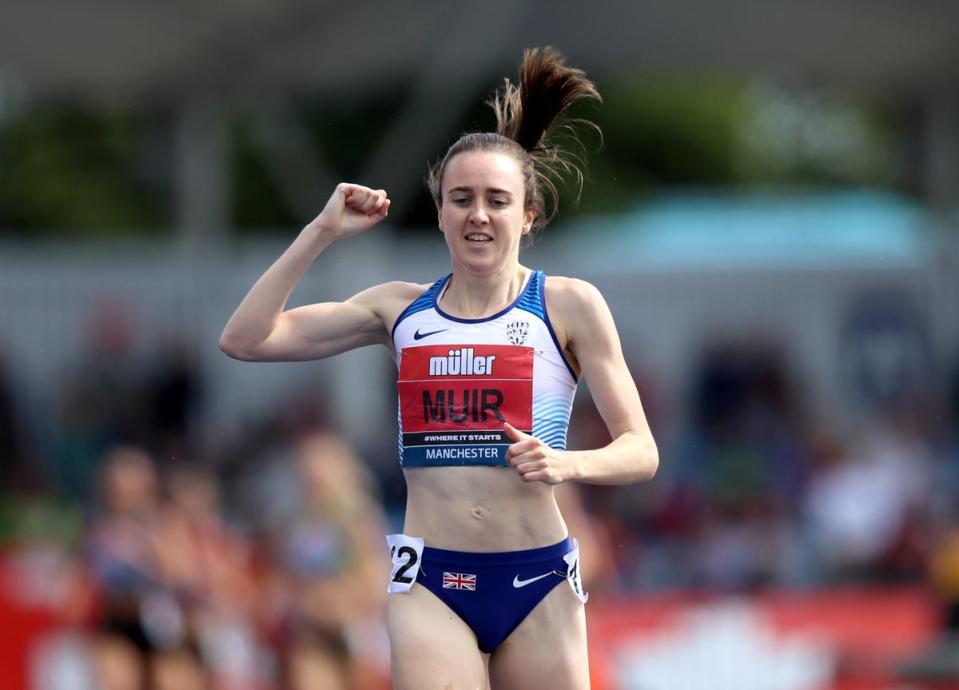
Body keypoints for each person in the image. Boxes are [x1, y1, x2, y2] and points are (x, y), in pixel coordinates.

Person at [220, 47, 658, 690]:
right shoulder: (399, 309)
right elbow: (246, 339)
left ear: (527, 215)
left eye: (496, 200)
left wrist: (569, 463)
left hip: (536, 579)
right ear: (442, 213)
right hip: (432, 580)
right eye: (462, 199)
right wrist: (321, 230)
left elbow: (641, 451)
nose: (478, 213)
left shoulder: (568, 304)